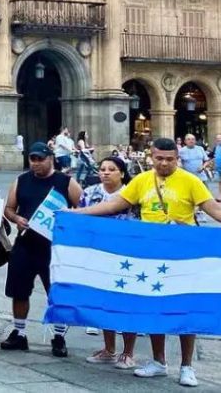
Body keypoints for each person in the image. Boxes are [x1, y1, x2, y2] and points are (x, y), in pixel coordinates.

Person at [77, 137, 221, 387]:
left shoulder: (190, 180)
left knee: (185, 309)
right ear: (151, 157)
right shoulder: (142, 180)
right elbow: (114, 205)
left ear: (177, 158)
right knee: (154, 307)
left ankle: (187, 366)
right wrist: (77, 213)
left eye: (169, 159)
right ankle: (158, 361)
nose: (164, 163)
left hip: (183, 255)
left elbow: (215, 209)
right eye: (159, 158)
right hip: (151, 255)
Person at [0, 141, 81, 357]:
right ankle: (19, 333)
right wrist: (17, 218)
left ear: (51, 158)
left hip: (54, 248)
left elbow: (84, 207)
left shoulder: (66, 182)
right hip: (25, 244)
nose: (36, 163)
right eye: (32, 159)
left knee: (56, 293)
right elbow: (9, 208)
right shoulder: (21, 180)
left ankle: (59, 336)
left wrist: (69, 218)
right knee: (19, 292)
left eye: (40, 159)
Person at [79, 156, 138, 370]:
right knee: (103, 300)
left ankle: (128, 352)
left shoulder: (133, 193)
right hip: (98, 252)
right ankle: (109, 348)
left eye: (111, 169)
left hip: (125, 255)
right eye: (102, 169)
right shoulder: (90, 193)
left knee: (126, 302)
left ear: (121, 173)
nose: (105, 172)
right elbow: (80, 219)